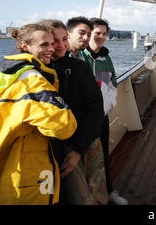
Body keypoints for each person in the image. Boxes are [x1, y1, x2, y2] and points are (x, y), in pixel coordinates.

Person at [0, 23, 77, 205]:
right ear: (24, 46)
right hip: (28, 170)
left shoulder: (4, 72)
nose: (51, 49)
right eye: (44, 45)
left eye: (52, 44)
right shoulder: (33, 80)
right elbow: (63, 127)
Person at [41, 19, 108, 205]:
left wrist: (78, 149)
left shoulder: (79, 68)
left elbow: (95, 109)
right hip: (57, 146)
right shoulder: (34, 71)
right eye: (54, 41)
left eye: (64, 39)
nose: (60, 45)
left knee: (95, 194)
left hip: (83, 140)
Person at [80, 17, 128, 205]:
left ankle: (108, 192)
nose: (101, 37)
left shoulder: (105, 59)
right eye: (97, 33)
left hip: (101, 117)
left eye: (104, 34)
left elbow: (112, 84)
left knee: (103, 156)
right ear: (89, 34)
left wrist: (107, 106)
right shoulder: (78, 57)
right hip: (83, 119)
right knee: (84, 160)